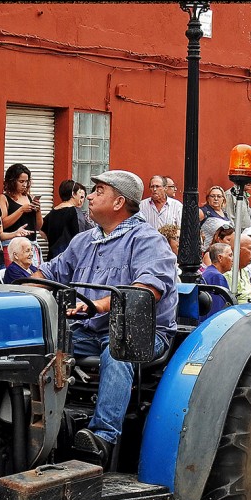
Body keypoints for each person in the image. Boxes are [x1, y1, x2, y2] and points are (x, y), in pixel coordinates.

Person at [36, 169, 177, 467]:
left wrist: (97, 305)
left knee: (119, 349)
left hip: (143, 333)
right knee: (44, 345)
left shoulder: (148, 241)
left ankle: (102, 438)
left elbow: (145, 290)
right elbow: (49, 273)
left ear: (118, 203)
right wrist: (24, 286)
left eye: (99, 190)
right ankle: (43, 425)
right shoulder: (84, 241)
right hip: (89, 331)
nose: (89, 195)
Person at [0, 163, 43, 262]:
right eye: (21, 181)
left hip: (31, 245)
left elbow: (38, 227)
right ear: (12, 181)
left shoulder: (29, 197)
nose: (25, 185)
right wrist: (21, 210)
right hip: (12, 245)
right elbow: (3, 224)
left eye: (27, 181)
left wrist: (38, 211)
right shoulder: (4, 198)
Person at [42, 179, 88, 259]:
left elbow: (41, 229)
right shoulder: (74, 211)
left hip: (52, 257)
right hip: (69, 258)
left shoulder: (53, 211)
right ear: (73, 194)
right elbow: (80, 236)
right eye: (79, 194)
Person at [199, 242, 232, 318]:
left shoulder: (208, 272)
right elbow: (217, 310)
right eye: (230, 255)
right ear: (220, 258)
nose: (232, 259)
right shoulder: (217, 277)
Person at [224, 233, 251, 304]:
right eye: (250, 248)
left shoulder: (244, 270)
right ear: (238, 250)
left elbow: (250, 296)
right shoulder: (228, 273)